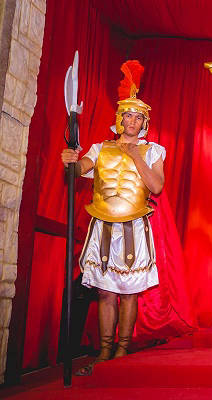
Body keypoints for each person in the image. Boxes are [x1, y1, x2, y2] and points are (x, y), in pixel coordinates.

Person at [60, 60, 165, 375]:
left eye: (138, 116)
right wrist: (70, 161)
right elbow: (78, 171)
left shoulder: (153, 151)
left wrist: (135, 156)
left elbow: (157, 186)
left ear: (144, 123)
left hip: (134, 225)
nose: (132, 120)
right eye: (127, 115)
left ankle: (122, 350)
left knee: (129, 292)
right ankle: (105, 352)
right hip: (103, 224)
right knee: (106, 291)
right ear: (119, 119)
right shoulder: (99, 148)